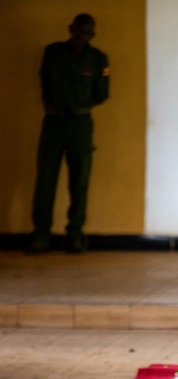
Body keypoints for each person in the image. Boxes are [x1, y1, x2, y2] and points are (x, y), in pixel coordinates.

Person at [28, 13, 110, 254]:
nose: (80, 37)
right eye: (77, 31)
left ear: (92, 35)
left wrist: (78, 106)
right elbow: (44, 80)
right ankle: (40, 235)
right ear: (70, 28)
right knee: (45, 181)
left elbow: (102, 93)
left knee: (79, 182)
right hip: (53, 123)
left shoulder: (98, 59)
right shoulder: (53, 53)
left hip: (81, 124)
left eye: (86, 33)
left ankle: (75, 235)